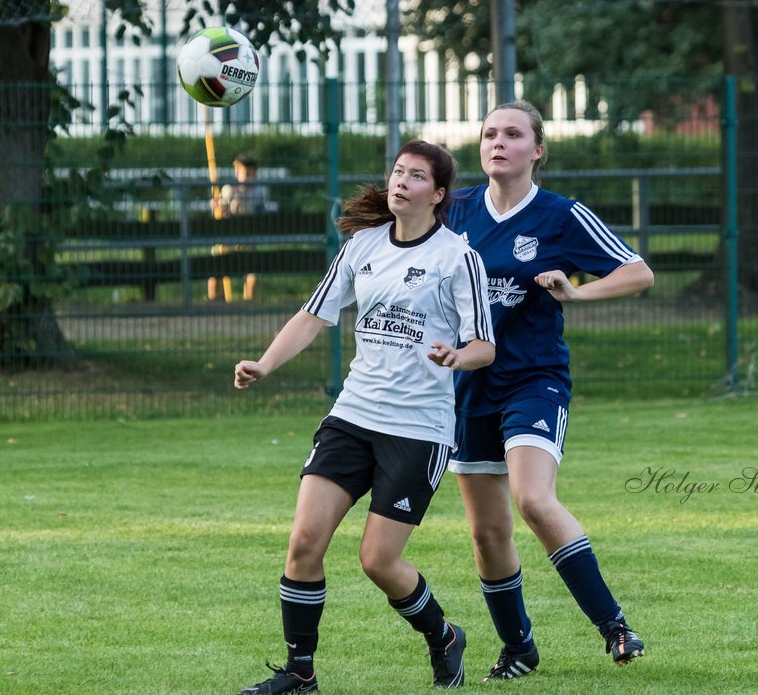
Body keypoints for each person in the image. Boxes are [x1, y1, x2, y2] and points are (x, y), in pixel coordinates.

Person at [235, 139, 496, 694]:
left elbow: (485, 347)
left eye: (417, 176)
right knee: (305, 541)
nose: (401, 181)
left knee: (378, 560)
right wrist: (264, 363)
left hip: (418, 430)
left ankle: (444, 635)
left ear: (439, 193)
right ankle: (299, 672)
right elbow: (313, 316)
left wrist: (457, 355)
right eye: (398, 172)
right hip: (352, 416)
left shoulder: (458, 257)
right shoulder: (362, 245)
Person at [446, 100, 656, 681]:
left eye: (513, 135)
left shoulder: (561, 216)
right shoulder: (456, 210)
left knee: (533, 499)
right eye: (489, 133)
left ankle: (614, 626)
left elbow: (638, 272)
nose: (498, 143)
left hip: (533, 381)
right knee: (486, 531)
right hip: (467, 386)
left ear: (537, 150)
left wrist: (575, 293)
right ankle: (519, 649)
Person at [208, 153, 268, 302]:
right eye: (244, 173)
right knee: (215, 262)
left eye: (250, 173)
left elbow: (261, 214)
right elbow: (220, 214)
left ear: (255, 173)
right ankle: (214, 298)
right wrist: (218, 207)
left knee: (253, 268)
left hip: (247, 237)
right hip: (228, 236)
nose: (247, 176)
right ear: (237, 172)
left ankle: (249, 299)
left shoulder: (259, 192)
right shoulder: (229, 190)